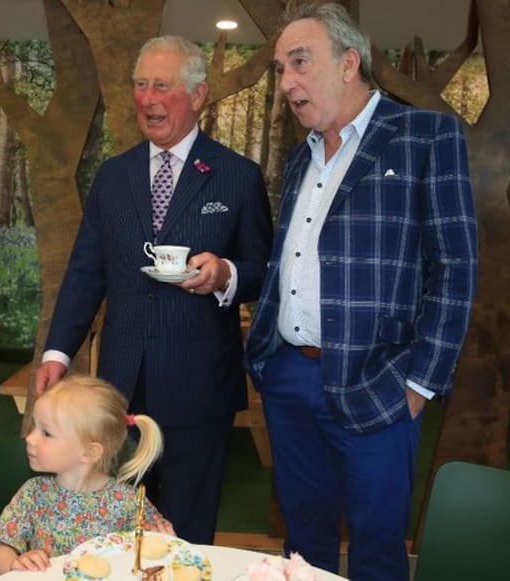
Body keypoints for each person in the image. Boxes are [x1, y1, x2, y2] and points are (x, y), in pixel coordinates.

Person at [245, 4, 478, 581]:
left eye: (300, 62)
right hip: (290, 377)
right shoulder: (300, 158)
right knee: (302, 545)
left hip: (381, 383)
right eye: (279, 69)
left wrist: (421, 381)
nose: (286, 83)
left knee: (377, 549)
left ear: (349, 62)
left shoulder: (424, 134)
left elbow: (456, 266)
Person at [35, 35, 273, 544]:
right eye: (140, 85)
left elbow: (263, 269)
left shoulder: (237, 176)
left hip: (198, 385)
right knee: (116, 523)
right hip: (119, 388)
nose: (147, 99)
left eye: (162, 86)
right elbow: (85, 272)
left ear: (198, 95)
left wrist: (226, 274)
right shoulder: (113, 177)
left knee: (186, 525)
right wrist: (58, 350)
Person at [0, 375, 174, 578]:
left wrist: (167, 546)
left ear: (88, 453)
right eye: (34, 426)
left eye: (46, 433)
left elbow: (155, 557)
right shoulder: (33, 494)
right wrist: (13, 563)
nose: (30, 438)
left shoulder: (129, 502)